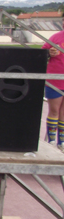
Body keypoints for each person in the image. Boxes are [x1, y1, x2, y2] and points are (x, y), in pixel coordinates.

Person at [42, 14, 64, 151]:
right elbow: (42, 53)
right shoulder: (55, 37)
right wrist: (49, 52)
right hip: (55, 80)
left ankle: (61, 143)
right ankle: (51, 141)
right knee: (54, 110)